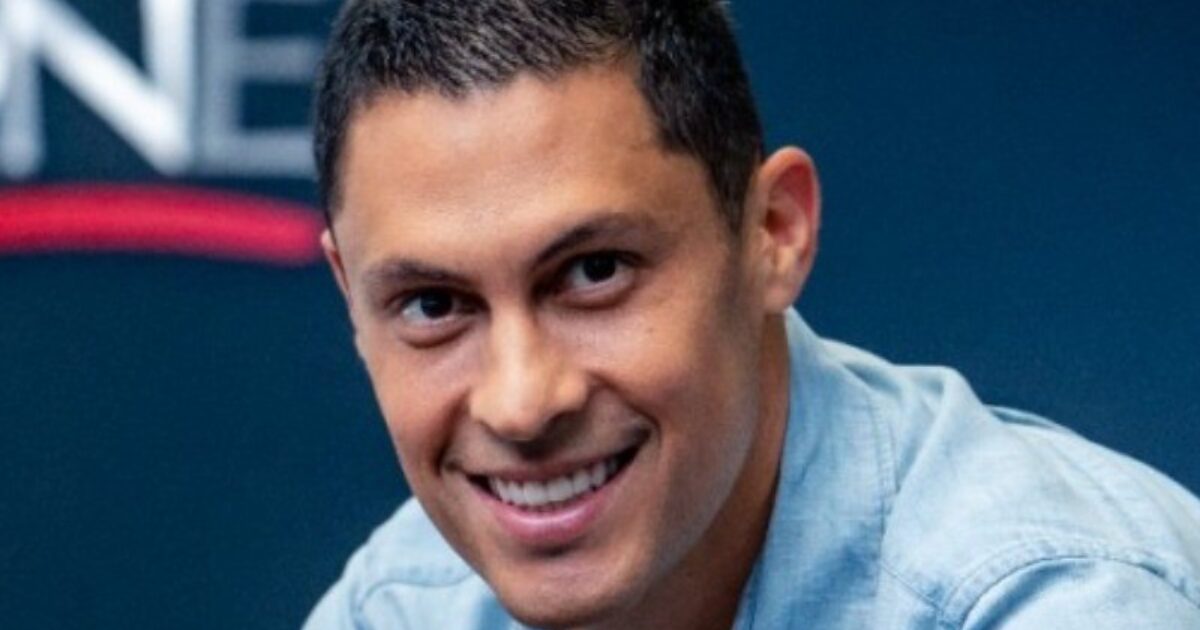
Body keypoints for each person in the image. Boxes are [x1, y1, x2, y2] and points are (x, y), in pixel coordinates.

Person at [303, 1, 1200, 628]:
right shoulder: (404, 604)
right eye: (433, 305)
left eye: (594, 272)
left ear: (773, 231)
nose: (522, 403)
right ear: (350, 297)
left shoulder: (1052, 602)